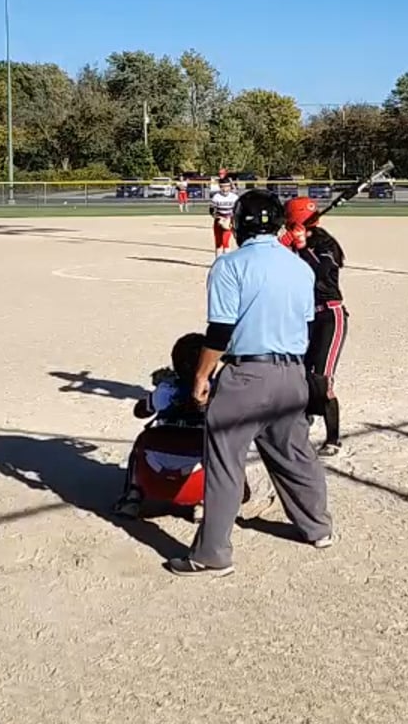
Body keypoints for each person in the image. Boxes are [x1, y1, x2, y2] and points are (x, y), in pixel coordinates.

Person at [168, 188, 333, 578]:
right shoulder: (300, 267)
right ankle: (318, 528)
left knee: (225, 462)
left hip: (247, 376)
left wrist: (202, 375)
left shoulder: (230, 266)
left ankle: (213, 553)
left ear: (240, 225)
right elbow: (307, 323)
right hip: (292, 374)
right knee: (295, 454)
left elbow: (220, 330)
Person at [280, 196, 350, 457]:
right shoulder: (293, 242)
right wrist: (283, 248)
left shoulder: (324, 242)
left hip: (330, 315)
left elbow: (321, 273)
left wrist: (302, 247)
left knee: (322, 378)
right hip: (305, 317)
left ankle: (333, 440)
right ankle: (302, 423)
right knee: (300, 374)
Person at [113, 332, 208, 518]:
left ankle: (132, 497)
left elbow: (140, 411)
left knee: (143, 439)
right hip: (197, 470)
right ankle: (207, 502)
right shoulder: (218, 390)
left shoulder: (167, 389)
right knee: (226, 445)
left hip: (155, 474)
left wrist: (159, 389)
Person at [208, 176, 240, 256]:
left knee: (225, 242)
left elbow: (238, 211)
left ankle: (226, 260)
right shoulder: (216, 197)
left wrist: (231, 219)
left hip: (229, 220)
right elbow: (212, 211)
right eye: (222, 187)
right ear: (219, 187)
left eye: (227, 186)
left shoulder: (234, 197)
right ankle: (218, 261)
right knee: (218, 243)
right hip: (219, 220)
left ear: (230, 186)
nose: (225, 189)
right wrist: (218, 217)